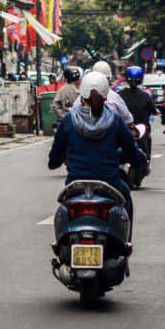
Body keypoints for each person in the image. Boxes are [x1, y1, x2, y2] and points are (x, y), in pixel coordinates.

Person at [48, 71, 147, 220]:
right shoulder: (115, 120)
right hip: (110, 184)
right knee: (125, 195)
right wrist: (139, 161)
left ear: (81, 94)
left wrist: (55, 162)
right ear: (106, 95)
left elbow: (55, 157)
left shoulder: (69, 120)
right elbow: (131, 150)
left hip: (75, 185)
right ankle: (126, 243)